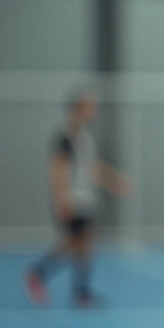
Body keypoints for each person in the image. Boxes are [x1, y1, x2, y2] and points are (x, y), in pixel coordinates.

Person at [25, 90, 127, 308]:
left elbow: (92, 168)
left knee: (85, 243)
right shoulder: (64, 136)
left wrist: (113, 181)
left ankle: (80, 291)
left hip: (84, 198)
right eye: (90, 106)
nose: (94, 111)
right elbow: (58, 168)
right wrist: (61, 198)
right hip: (72, 199)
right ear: (79, 108)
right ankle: (38, 272)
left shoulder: (83, 137)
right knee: (76, 242)